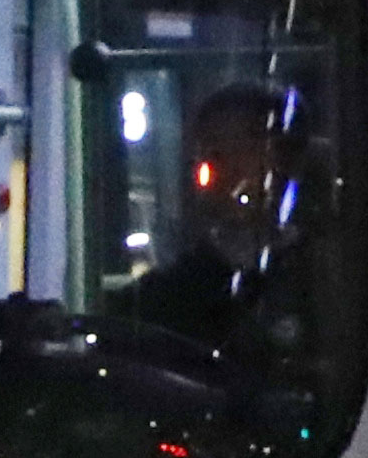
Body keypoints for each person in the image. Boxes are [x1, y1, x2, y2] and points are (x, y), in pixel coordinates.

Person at [119, 81, 318, 358]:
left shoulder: (326, 278)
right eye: (213, 152)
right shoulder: (170, 295)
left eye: (244, 148)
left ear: (286, 160)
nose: (225, 172)